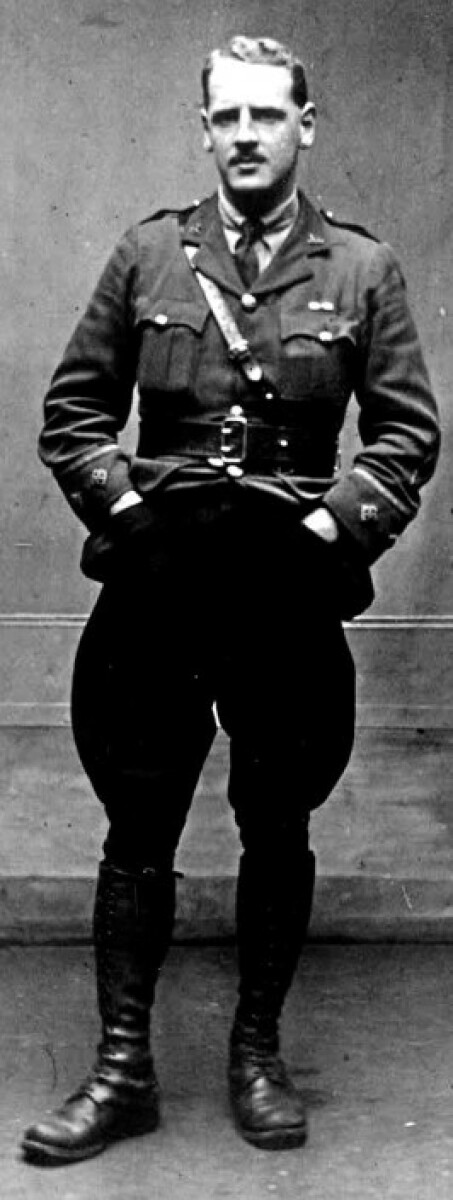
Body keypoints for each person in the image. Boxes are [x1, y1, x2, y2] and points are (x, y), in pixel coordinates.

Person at [22, 35, 440, 1164]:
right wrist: (129, 520)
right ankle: (122, 1071)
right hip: (161, 575)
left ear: (307, 125)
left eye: (267, 115)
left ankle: (257, 1055)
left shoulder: (362, 269)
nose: (246, 136)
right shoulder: (149, 255)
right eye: (228, 117)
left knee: (278, 813)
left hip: (286, 580)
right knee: (137, 818)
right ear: (204, 129)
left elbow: (405, 434)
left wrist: (326, 531)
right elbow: (73, 413)